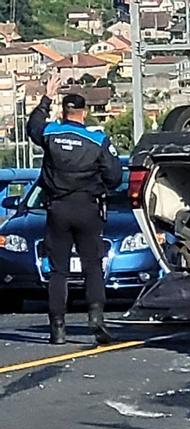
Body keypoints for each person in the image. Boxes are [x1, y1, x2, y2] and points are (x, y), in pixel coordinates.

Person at [26, 73, 122, 345]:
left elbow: (33, 126)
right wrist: (97, 185)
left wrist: (46, 97)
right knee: (93, 266)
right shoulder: (97, 140)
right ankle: (96, 319)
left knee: (59, 271)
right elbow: (114, 177)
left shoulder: (51, 133)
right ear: (84, 112)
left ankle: (57, 328)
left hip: (57, 207)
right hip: (87, 208)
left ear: (64, 111)